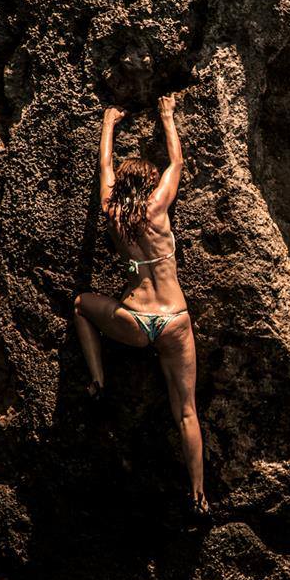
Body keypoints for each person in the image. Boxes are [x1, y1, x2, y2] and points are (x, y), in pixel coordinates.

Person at [73, 94, 211, 520]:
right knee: (186, 412)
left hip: (135, 322)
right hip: (174, 321)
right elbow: (177, 163)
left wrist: (108, 123)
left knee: (80, 305)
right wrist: (167, 116)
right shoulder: (158, 207)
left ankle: (97, 381)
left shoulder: (113, 213)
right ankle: (198, 497)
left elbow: (105, 170)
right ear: (149, 187)